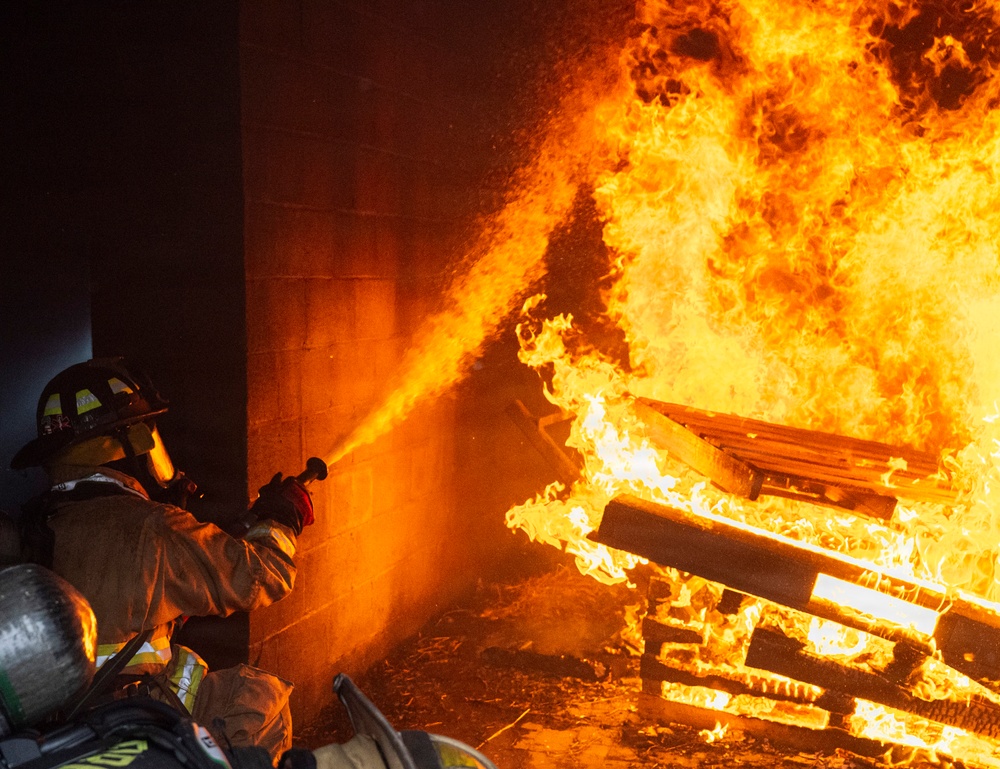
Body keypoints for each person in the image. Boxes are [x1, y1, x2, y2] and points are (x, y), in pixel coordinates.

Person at [9, 356, 315, 761]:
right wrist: (283, 519)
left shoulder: (31, 525)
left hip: (50, 733)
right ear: (124, 447)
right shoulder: (154, 527)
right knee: (259, 695)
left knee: (187, 664)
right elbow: (262, 576)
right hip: (129, 723)